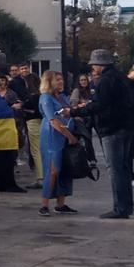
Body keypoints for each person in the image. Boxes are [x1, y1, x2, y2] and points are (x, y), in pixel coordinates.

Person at [68, 49, 134, 219]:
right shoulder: (122, 78)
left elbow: (99, 105)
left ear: (101, 65)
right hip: (128, 126)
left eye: (94, 64)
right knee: (124, 168)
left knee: (115, 169)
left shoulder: (105, 81)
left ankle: (120, 208)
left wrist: (74, 112)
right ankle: (126, 206)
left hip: (112, 128)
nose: (93, 68)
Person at [37, 70, 80, 216]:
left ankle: (61, 203)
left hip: (65, 134)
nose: (61, 82)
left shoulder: (61, 97)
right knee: (53, 169)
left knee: (65, 168)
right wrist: (69, 136)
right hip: (52, 135)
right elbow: (53, 120)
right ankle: (44, 204)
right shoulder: (46, 98)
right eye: (58, 80)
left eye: (61, 79)